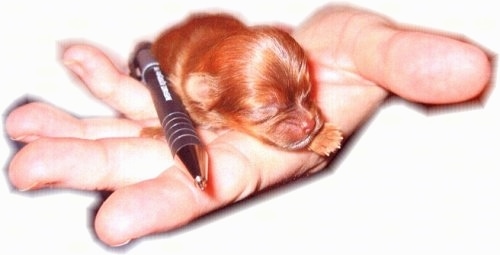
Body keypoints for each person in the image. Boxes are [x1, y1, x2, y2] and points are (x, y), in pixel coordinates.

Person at [5, 5, 491, 246]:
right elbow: (176, 106)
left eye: (306, 95)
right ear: (204, 99)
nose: (305, 120)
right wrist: (166, 127)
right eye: (271, 111)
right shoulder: (192, 91)